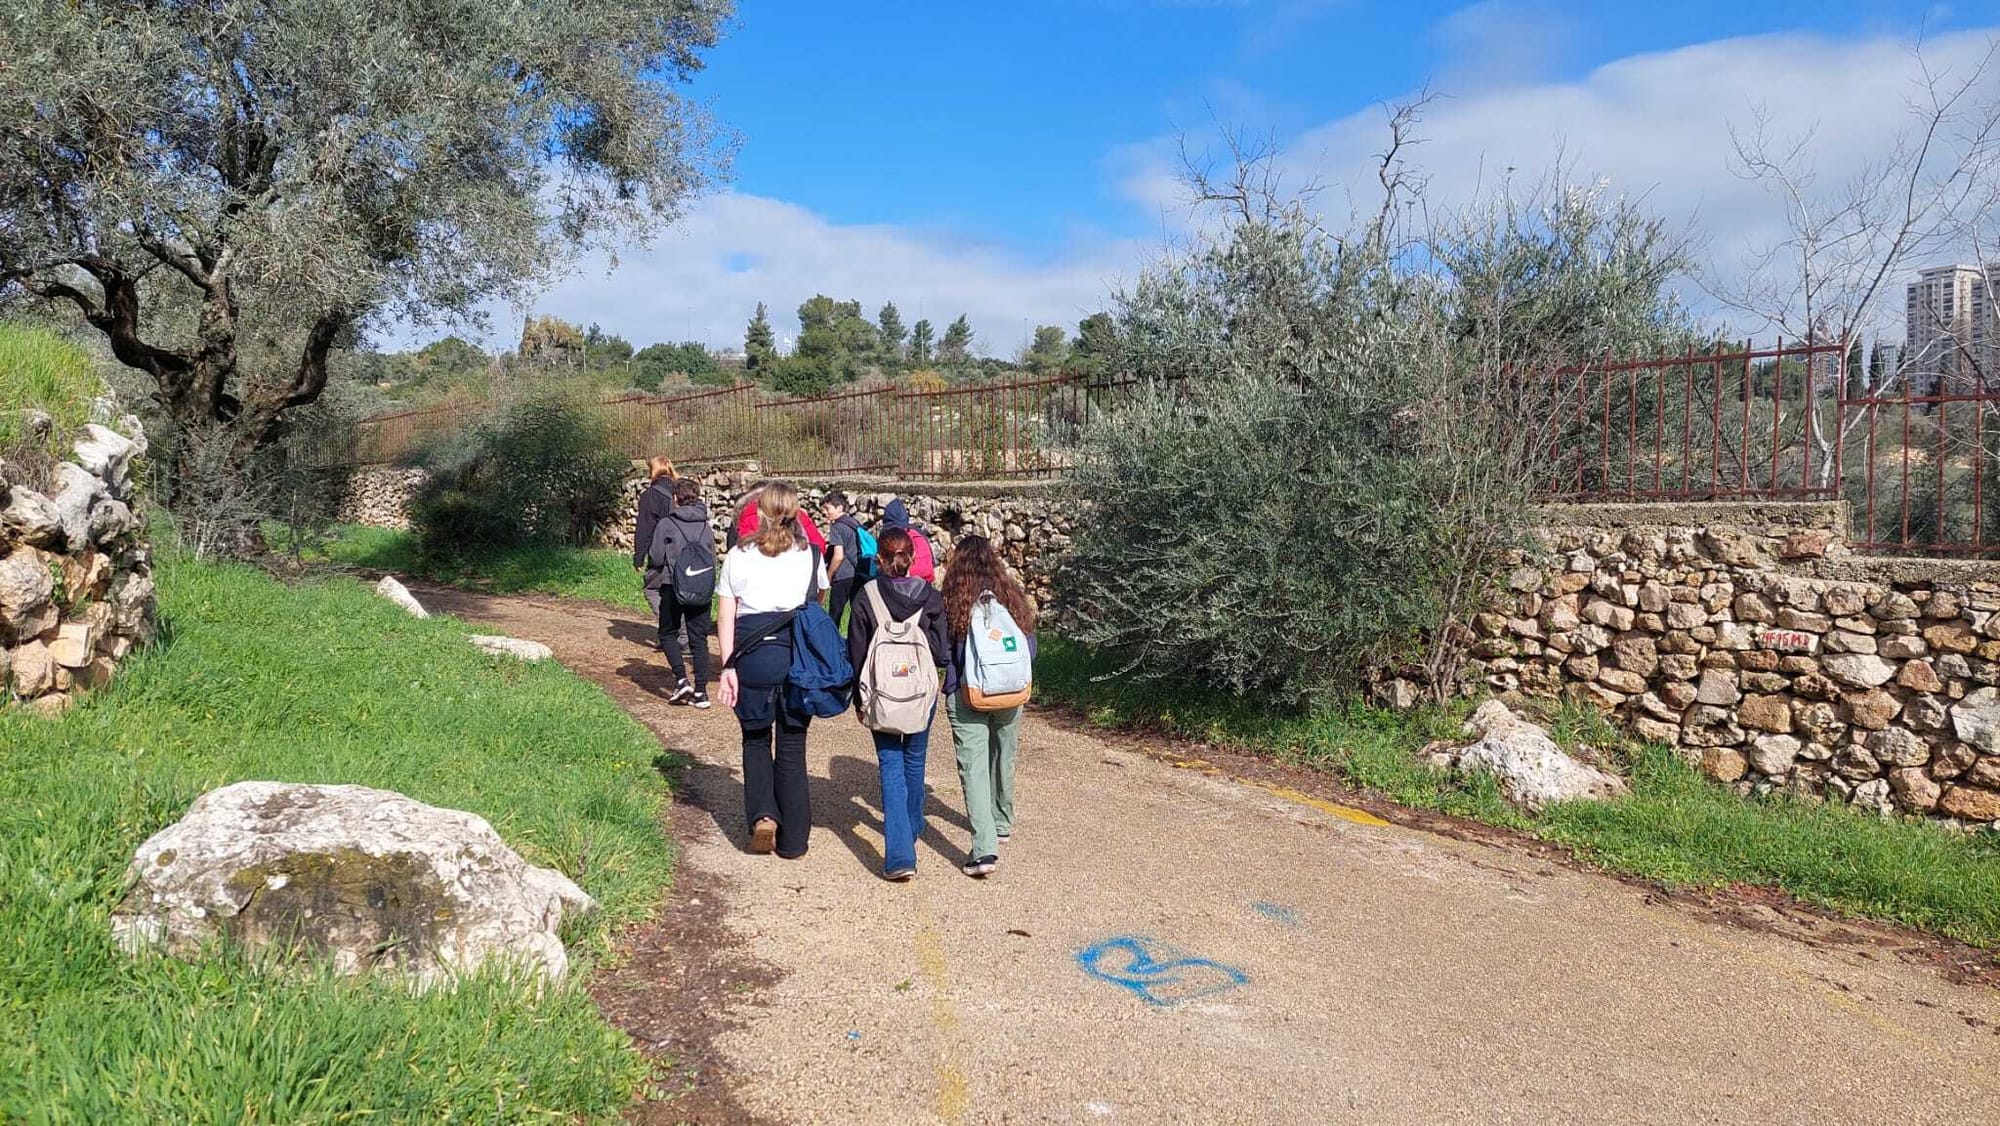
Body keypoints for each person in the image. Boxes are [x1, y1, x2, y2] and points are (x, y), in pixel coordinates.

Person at [716, 482, 828, 859]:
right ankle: (794, 840)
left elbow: (726, 614)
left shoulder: (738, 555)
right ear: (796, 514)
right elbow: (817, 602)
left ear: (760, 512)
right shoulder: (810, 556)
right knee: (793, 748)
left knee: (755, 739)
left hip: (752, 655)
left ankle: (764, 815)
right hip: (795, 656)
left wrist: (727, 665)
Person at [845, 528, 950, 880]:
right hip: (921, 695)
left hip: (881, 695)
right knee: (914, 762)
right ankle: (911, 824)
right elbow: (940, 651)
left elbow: (856, 652)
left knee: (890, 765)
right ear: (912, 558)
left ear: (880, 560)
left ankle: (900, 856)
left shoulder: (866, 596)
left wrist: (858, 700)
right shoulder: (931, 598)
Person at [940, 534, 1037, 877]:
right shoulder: (1011, 595)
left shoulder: (954, 599)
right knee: (1004, 756)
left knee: (974, 768)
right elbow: (1031, 647)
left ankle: (984, 850)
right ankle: (1002, 822)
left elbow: (942, 652)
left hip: (969, 693)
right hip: (1011, 692)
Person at [654, 475, 716, 708]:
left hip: (672, 585)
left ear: (675, 498)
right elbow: (712, 556)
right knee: (698, 639)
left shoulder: (667, 524)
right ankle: (701, 692)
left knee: (668, 632)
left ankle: (681, 679)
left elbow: (657, 556)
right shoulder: (705, 525)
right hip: (701, 586)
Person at [632, 456, 678, 616]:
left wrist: (639, 556)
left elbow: (645, 528)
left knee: (652, 589)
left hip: (661, 554)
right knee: (677, 592)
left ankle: (670, 627)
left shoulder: (650, 496)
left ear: (652, 471)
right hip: (685, 551)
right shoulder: (682, 490)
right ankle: (681, 630)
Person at [821, 491, 860, 628]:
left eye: (827, 508)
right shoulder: (854, 523)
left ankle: (832, 644)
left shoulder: (837, 527)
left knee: (834, 616)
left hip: (842, 576)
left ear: (839, 508)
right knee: (857, 614)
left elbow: (838, 556)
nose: (824, 513)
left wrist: (829, 575)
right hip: (857, 573)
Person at [880, 498, 936, 583]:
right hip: (926, 583)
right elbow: (933, 561)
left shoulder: (891, 539)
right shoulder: (918, 533)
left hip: (902, 582)